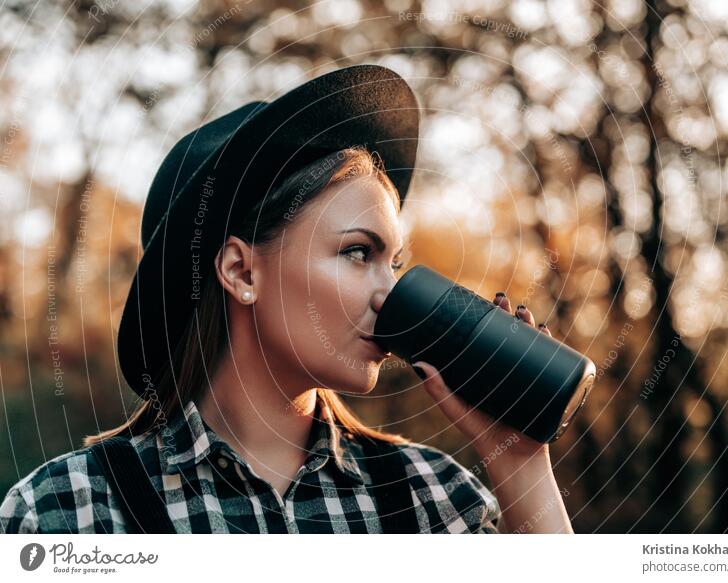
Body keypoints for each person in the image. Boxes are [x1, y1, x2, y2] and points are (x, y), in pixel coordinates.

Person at [0, 65, 573, 534]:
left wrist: (518, 461)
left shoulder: (432, 501)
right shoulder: (72, 514)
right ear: (241, 270)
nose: (389, 293)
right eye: (357, 252)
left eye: (392, 262)